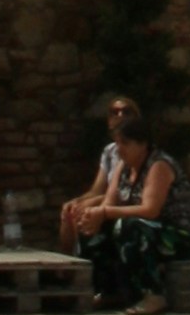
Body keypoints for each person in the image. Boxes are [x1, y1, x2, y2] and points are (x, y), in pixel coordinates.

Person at [75, 118, 190, 314]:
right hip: (147, 232)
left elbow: (150, 210)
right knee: (93, 227)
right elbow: (109, 203)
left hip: (180, 237)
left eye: (125, 144)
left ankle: (153, 294)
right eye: (118, 143)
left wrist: (105, 212)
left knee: (131, 226)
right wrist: (94, 216)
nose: (119, 149)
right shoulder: (123, 166)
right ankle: (110, 290)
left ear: (143, 144)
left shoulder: (159, 165)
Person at [59, 96, 144, 250]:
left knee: (87, 208)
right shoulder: (109, 151)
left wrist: (95, 202)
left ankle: (88, 256)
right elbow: (97, 189)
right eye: (115, 112)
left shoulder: (140, 148)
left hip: (127, 199)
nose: (120, 116)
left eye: (126, 112)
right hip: (109, 198)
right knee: (71, 209)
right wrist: (76, 200)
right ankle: (70, 266)